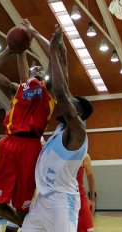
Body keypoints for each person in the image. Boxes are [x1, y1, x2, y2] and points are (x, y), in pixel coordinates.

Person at [0, 19, 56, 231]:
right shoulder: (18, 88)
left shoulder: (50, 90)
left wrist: (33, 32)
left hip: (31, 147)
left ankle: (27, 224)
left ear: (45, 75)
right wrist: (11, 49)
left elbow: (55, 58)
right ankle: (30, 226)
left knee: (23, 206)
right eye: (33, 70)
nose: (36, 71)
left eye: (40, 70)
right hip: (10, 142)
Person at [22, 25, 93, 232]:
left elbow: (62, 94)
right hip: (42, 201)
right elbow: (62, 72)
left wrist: (53, 51)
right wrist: (38, 34)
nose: (67, 102)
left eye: (73, 103)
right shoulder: (62, 127)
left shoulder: (78, 131)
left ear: (77, 113)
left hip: (62, 203)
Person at [77, 153, 95, 232]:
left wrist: (92, 200)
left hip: (80, 198)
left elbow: (90, 176)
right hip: (65, 199)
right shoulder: (84, 155)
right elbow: (90, 176)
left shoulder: (84, 156)